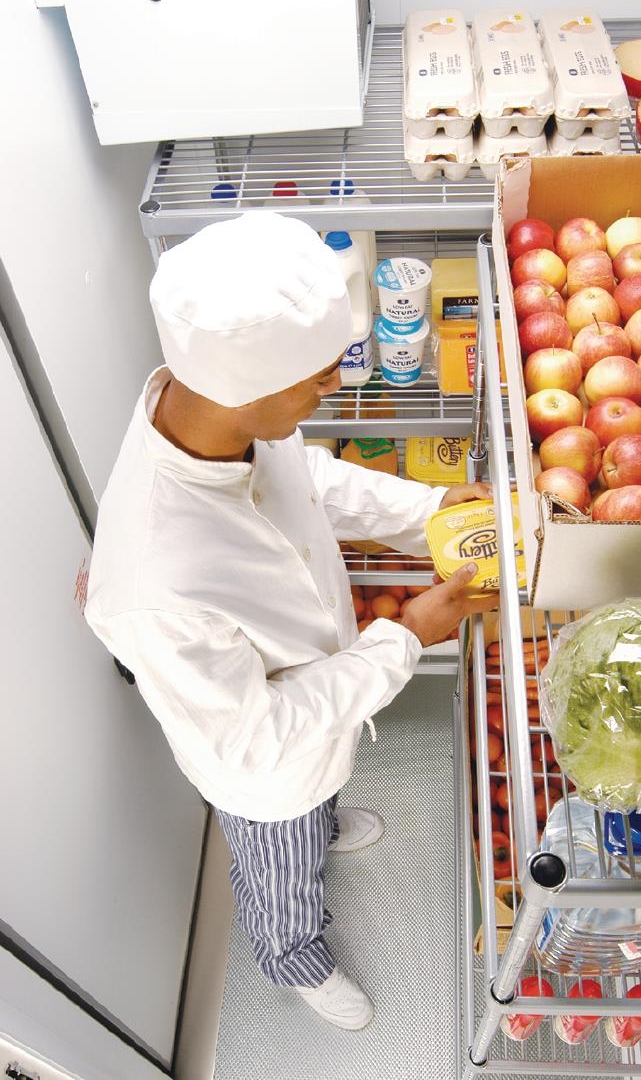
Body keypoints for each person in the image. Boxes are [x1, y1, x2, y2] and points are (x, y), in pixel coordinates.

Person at [84, 211, 498, 1031]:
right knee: (283, 875)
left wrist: (427, 511)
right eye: (319, 377)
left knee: (323, 790)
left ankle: (326, 816)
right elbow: (259, 738)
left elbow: (308, 478)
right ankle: (295, 960)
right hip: (267, 778)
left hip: (317, 719)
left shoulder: (209, 411)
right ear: (251, 386)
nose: (333, 388)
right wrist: (407, 636)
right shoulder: (157, 583)